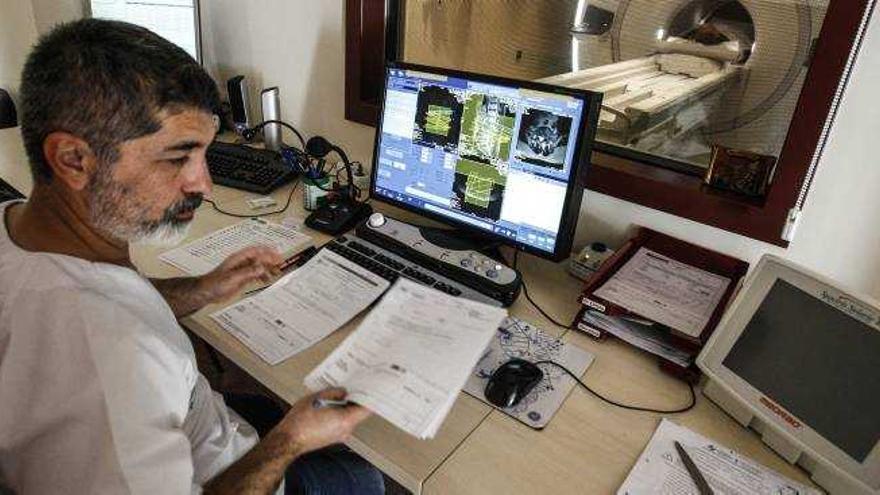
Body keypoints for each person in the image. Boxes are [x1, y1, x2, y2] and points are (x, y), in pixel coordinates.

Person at [0, 19, 383, 494]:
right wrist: (290, 441)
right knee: (362, 476)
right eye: (178, 156)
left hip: (198, 422)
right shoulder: (108, 355)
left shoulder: (18, 225)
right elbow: (109, 322)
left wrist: (203, 289)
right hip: (224, 471)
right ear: (74, 159)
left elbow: (109, 293)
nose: (202, 183)